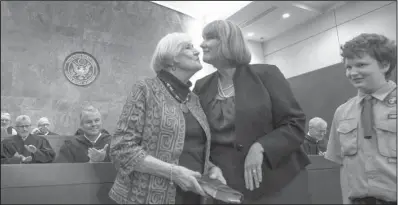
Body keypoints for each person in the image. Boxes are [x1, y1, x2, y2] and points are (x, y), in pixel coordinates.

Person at [193, 20, 311, 203]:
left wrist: (261, 147)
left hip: (275, 182)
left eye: (210, 38)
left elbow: (295, 123)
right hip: (224, 186)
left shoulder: (267, 74)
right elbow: (197, 136)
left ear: (228, 41)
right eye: (203, 38)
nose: (202, 44)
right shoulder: (201, 87)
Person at [108, 32, 225, 204]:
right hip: (145, 197)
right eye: (188, 47)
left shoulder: (194, 100)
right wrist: (173, 173)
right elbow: (121, 149)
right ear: (171, 58)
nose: (197, 51)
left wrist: (212, 168)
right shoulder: (146, 89)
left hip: (192, 197)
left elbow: (193, 149)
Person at [325, 33, 396, 204]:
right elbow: (343, 165)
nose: (352, 73)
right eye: (348, 67)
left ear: (384, 65)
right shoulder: (342, 112)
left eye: (361, 65)